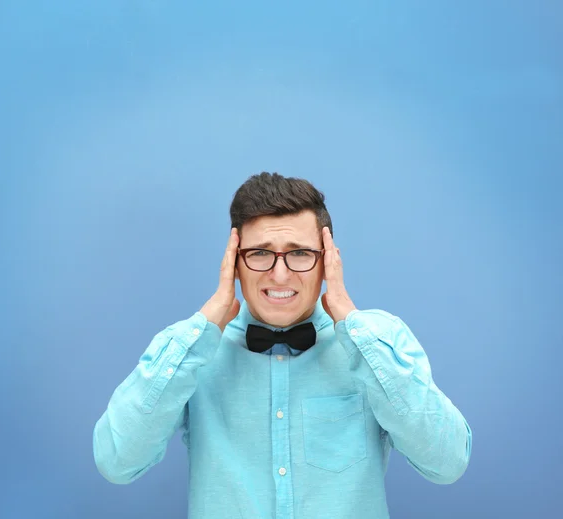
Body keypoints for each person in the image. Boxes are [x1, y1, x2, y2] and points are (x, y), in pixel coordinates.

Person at [93, 172, 472, 519]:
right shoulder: (191, 351)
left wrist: (355, 329)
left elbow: (447, 462)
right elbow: (117, 461)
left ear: (328, 260)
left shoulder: (380, 343)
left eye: (300, 253)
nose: (279, 273)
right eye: (259, 253)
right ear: (233, 260)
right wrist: (204, 326)